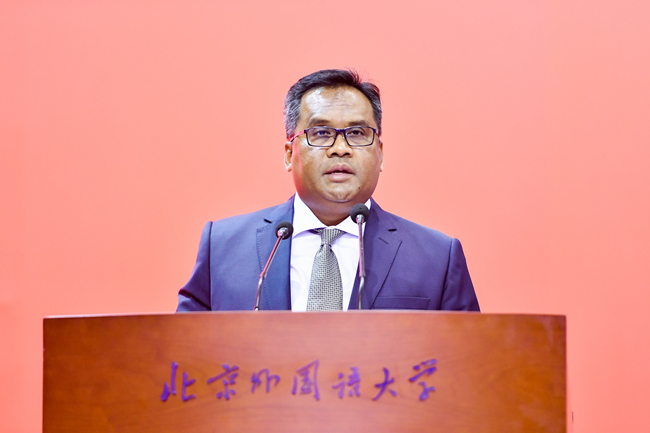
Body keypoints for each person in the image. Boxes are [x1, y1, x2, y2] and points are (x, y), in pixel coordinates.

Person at [176, 69, 479, 312]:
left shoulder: (437, 258)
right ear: (289, 154)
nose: (340, 148)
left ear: (380, 153)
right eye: (321, 133)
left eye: (357, 133)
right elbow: (183, 354)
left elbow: (468, 362)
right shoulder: (223, 247)